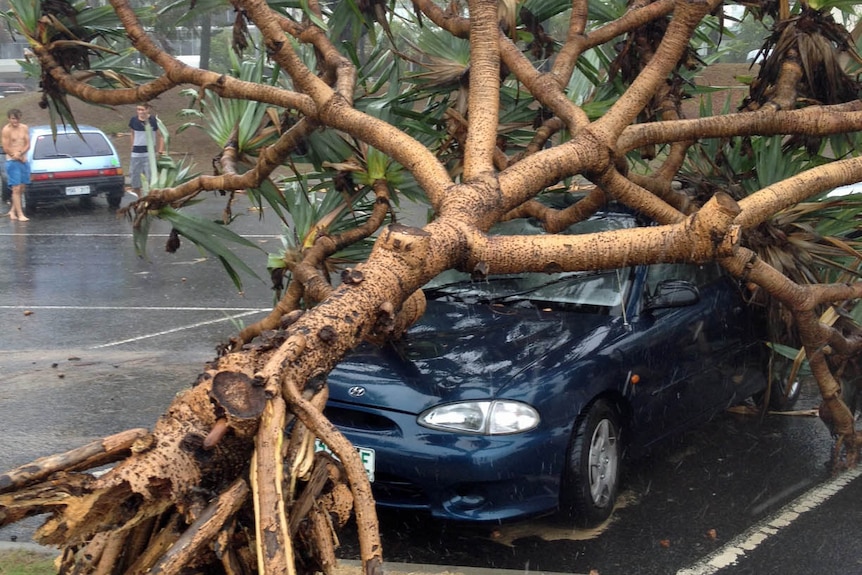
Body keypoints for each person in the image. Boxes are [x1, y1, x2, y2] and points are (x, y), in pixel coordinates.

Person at [128, 102, 164, 197]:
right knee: (134, 177)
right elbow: (132, 133)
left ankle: (149, 198)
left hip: (149, 154)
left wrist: (160, 150)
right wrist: (132, 146)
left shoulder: (153, 121)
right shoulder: (133, 120)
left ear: (148, 109)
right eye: (138, 109)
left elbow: (161, 136)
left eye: (142, 109)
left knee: (150, 178)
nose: (140, 112)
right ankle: (139, 198)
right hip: (136, 154)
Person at [1, 108, 30, 221]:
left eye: (17, 118)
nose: (15, 121)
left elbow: (27, 144)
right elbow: (6, 147)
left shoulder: (24, 128)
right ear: (9, 119)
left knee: (22, 187)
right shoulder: (6, 130)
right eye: (13, 119)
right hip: (12, 161)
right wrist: (16, 155)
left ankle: (12, 211)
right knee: (16, 188)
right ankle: (20, 214)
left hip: (23, 159)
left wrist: (21, 153)